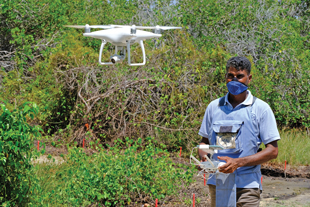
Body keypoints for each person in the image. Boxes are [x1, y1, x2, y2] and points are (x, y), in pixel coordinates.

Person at [198, 56, 280, 207]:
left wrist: (238, 163)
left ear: (249, 78)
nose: (234, 80)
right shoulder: (214, 107)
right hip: (218, 184)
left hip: (247, 186)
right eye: (230, 76)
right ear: (226, 77)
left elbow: (272, 151)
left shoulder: (260, 109)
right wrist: (204, 157)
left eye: (240, 76)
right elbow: (204, 142)